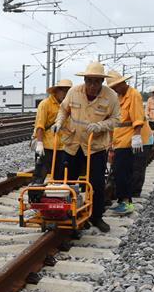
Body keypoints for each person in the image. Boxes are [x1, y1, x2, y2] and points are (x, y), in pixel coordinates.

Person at [52, 61, 121, 233]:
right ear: (84, 79)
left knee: (96, 183)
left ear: (102, 82)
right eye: (89, 80)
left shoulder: (111, 96)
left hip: (95, 146)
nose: (92, 85)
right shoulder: (74, 92)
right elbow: (63, 110)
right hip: (73, 143)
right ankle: (64, 213)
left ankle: (96, 216)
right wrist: (59, 122)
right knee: (65, 180)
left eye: (96, 81)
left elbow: (116, 120)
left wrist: (101, 126)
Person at [106, 71, 146, 215]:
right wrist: (110, 144)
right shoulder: (118, 97)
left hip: (128, 140)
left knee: (123, 172)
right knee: (118, 172)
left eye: (116, 86)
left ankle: (127, 203)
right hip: (118, 139)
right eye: (113, 87)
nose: (115, 89)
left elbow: (138, 117)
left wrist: (136, 136)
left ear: (123, 83)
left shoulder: (133, 95)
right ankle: (122, 200)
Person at [32, 79, 72, 181]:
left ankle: (56, 196)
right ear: (56, 91)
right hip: (47, 145)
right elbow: (40, 125)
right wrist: (40, 143)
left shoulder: (69, 105)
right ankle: (35, 195)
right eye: (63, 90)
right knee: (40, 173)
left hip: (63, 146)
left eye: (68, 91)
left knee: (60, 176)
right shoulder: (45, 104)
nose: (66, 94)